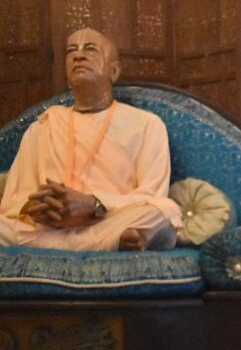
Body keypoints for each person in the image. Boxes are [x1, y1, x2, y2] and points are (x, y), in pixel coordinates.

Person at [0, 27, 180, 252]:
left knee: (164, 212)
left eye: (90, 49)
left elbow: (152, 194)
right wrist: (37, 208)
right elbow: (13, 200)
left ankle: (90, 241)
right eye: (71, 51)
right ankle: (108, 243)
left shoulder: (147, 124)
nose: (78, 55)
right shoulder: (42, 126)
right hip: (47, 228)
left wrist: (93, 205)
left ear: (113, 72)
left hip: (107, 221)